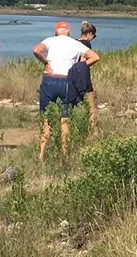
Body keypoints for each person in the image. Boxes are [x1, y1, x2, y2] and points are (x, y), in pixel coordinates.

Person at [33, 22, 100, 160]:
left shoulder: (49, 40)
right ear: (68, 31)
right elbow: (95, 57)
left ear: (56, 31)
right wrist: (77, 68)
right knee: (65, 119)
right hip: (66, 82)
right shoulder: (76, 44)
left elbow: (36, 50)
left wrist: (46, 63)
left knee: (46, 119)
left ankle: (41, 154)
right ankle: (64, 153)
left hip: (49, 81)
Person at [76, 21, 98, 131]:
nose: (93, 38)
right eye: (94, 36)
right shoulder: (86, 44)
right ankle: (93, 128)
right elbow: (84, 59)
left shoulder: (74, 42)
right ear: (89, 33)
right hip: (83, 75)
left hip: (72, 75)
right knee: (91, 101)